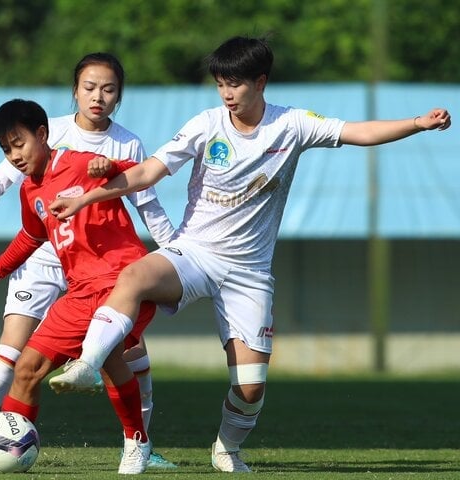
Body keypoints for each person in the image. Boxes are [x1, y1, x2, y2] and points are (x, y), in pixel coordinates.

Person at [47, 36, 452, 473]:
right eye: (221, 84)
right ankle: (88, 365)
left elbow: (358, 132)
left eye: (235, 84)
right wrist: (86, 199)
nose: (227, 94)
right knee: (134, 277)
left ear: (261, 82)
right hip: (195, 252)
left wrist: (417, 123)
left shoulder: (293, 124)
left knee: (251, 387)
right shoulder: (206, 124)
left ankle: (226, 447)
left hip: (249, 272)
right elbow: (146, 172)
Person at [0, 53, 176, 469]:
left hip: (122, 281)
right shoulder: (28, 191)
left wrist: (111, 166)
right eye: (6, 149)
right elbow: (31, 237)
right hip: (79, 291)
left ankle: (138, 442)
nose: (14, 155)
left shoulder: (78, 161)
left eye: (19, 144)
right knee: (26, 369)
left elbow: (140, 173)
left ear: (42, 134)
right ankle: (7, 452)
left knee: (108, 356)